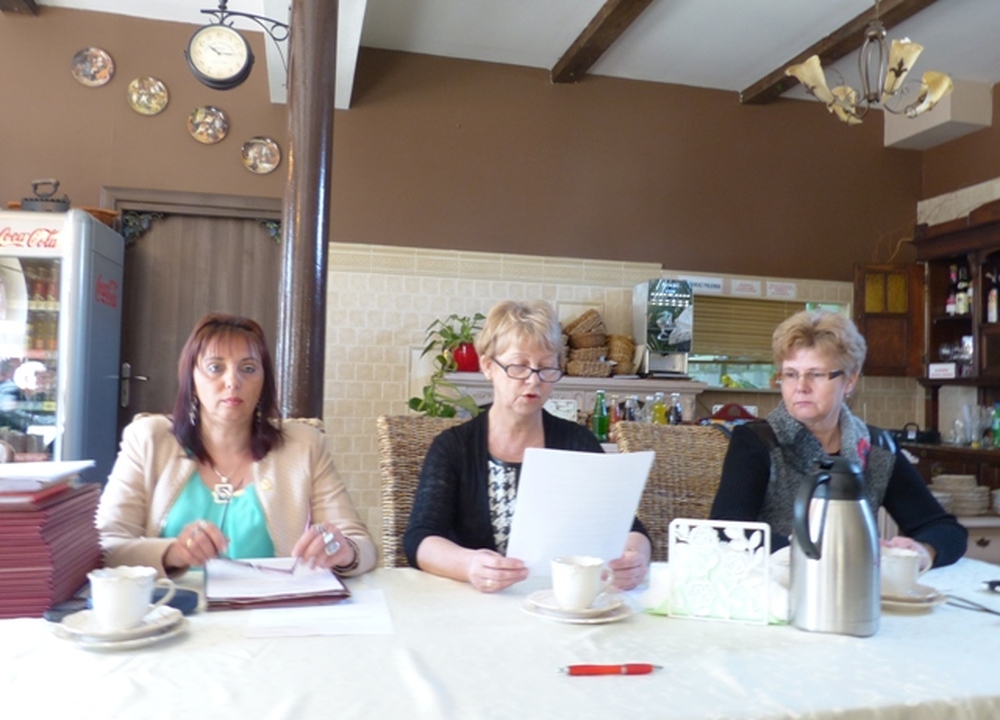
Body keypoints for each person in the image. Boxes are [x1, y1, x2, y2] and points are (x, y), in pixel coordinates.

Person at [96, 313, 377, 578]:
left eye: (248, 368)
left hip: (271, 608)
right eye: (215, 368)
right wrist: (173, 553)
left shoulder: (304, 445)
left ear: (264, 383)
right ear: (191, 380)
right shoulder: (148, 440)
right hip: (171, 608)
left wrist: (341, 550)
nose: (233, 381)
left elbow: (362, 547)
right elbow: (104, 546)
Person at [403, 300, 652, 593]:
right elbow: (420, 538)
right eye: (519, 366)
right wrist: (469, 564)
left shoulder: (577, 443)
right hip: (479, 602)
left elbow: (629, 527)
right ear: (488, 366)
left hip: (560, 600)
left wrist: (634, 558)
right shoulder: (454, 447)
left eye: (546, 368)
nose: (533, 381)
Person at [710, 309, 967, 570]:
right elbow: (727, 531)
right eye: (790, 374)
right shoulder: (756, 442)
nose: (801, 386)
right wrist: (823, 554)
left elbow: (945, 529)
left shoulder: (876, 448)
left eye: (816, 374)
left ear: (849, 381)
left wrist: (924, 551)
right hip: (775, 587)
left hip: (855, 588)